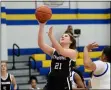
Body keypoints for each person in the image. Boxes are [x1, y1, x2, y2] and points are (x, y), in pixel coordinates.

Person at [38, 22, 78, 90]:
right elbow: (41, 44)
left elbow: (61, 51)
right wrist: (41, 25)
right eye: (62, 35)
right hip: (51, 82)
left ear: (71, 41)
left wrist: (51, 36)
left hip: (63, 83)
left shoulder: (73, 52)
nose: (63, 36)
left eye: (66, 36)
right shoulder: (54, 51)